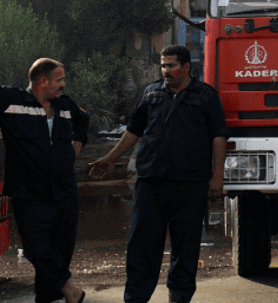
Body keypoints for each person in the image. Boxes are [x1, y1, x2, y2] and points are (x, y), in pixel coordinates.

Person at [91, 45, 228, 303]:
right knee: (142, 245)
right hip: (151, 182)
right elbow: (133, 131)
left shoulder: (206, 96)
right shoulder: (151, 94)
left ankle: (179, 297)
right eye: (163, 66)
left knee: (185, 247)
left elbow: (218, 137)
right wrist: (110, 159)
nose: (166, 71)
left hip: (190, 183)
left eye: (171, 65)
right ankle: (136, 298)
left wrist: (217, 175)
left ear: (186, 67)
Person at [0, 59, 89, 303]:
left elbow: (83, 121)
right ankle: (70, 291)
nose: (63, 85)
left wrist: (76, 147)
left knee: (61, 251)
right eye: (59, 80)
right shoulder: (12, 101)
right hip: (30, 194)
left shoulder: (65, 105)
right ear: (42, 82)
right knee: (36, 249)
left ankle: (47, 298)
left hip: (65, 191)